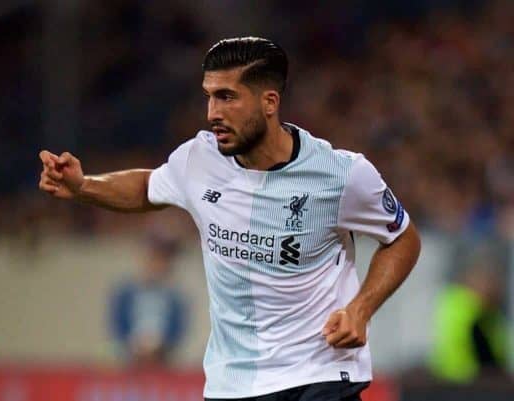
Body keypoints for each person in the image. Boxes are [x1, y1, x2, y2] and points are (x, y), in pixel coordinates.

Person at [38, 37, 421, 401]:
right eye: (209, 96)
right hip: (233, 383)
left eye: (227, 97)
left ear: (269, 102)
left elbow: (402, 238)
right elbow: (149, 187)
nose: (212, 113)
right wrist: (84, 186)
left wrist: (360, 309)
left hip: (320, 374)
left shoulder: (341, 175)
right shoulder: (198, 160)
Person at [109, 229, 187, 367]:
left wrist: (161, 347)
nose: (156, 265)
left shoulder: (175, 298)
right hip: (131, 358)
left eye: (160, 261)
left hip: (163, 358)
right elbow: (117, 323)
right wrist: (133, 345)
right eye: (152, 260)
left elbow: (179, 328)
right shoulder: (125, 294)